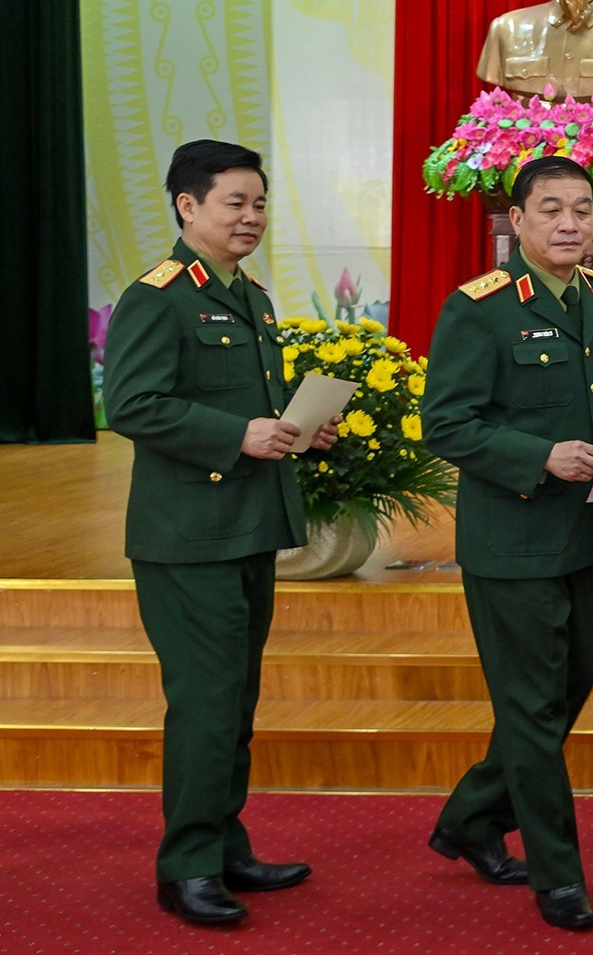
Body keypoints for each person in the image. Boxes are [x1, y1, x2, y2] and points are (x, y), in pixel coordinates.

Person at [421, 155, 593, 932]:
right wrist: (540, 456)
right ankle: (558, 875)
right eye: (552, 209)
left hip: (589, 528)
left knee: (566, 694)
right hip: (513, 538)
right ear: (516, 222)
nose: (570, 224)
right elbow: (448, 425)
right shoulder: (480, 309)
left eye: (583, 211)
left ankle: (469, 816)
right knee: (530, 708)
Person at [103, 140, 338, 927]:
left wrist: (298, 433)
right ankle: (187, 866)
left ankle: (226, 843)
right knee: (205, 704)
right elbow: (133, 405)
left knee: (234, 701)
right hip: (187, 537)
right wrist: (239, 434)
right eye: (234, 203)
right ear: (187, 206)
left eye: (260, 204)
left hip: (244, 527)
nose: (251, 218)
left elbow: (250, 408)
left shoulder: (250, 296)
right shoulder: (159, 296)